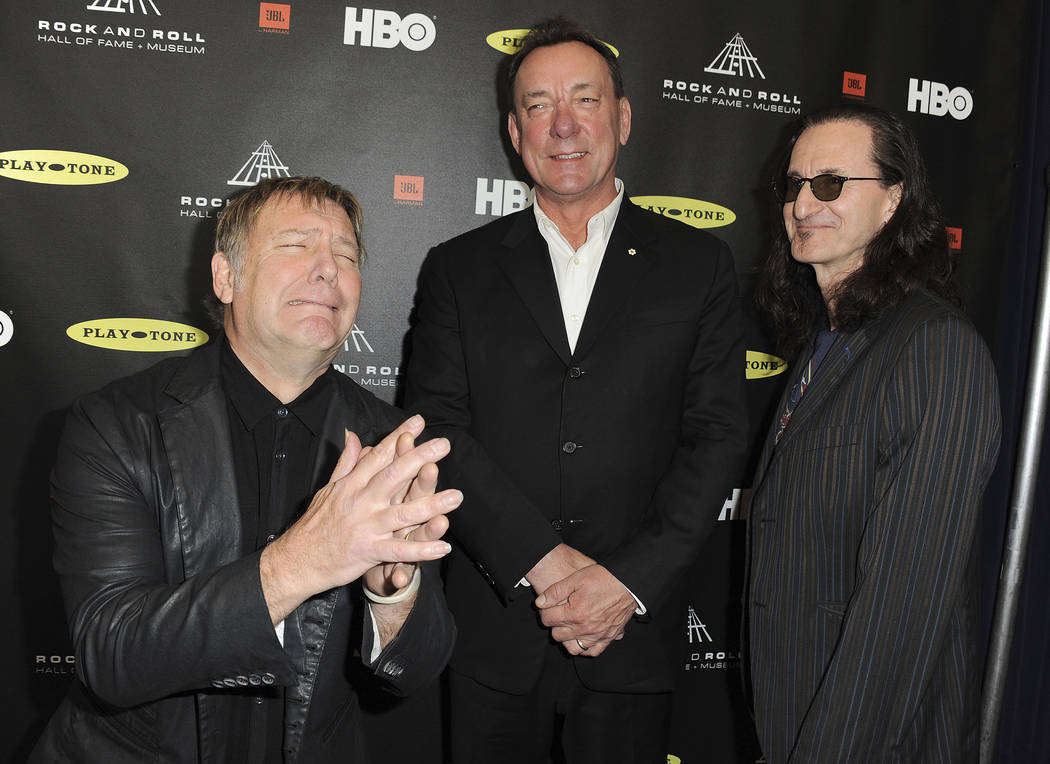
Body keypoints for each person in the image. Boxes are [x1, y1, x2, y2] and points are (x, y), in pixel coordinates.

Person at [404, 17, 747, 763]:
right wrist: (545, 562)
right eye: (538, 105)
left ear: (621, 118)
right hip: (495, 635)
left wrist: (627, 581)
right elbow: (439, 430)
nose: (563, 124)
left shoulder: (699, 265)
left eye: (584, 100)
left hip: (633, 638)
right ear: (514, 129)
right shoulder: (457, 271)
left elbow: (718, 435)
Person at [31, 176, 461, 763]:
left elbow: (413, 672)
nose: (327, 269)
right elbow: (113, 656)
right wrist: (304, 561)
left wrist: (395, 595)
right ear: (226, 277)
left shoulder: (395, 441)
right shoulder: (116, 425)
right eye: (296, 245)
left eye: (346, 255)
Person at [746, 103, 1001, 762]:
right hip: (791, 717)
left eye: (831, 183)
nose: (804, 203)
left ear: (893, 201)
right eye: (794, 185)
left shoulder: (935, 346)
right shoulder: (825, 343)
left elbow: (904, 602)